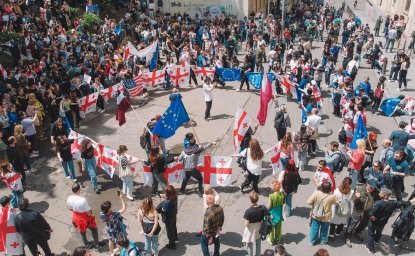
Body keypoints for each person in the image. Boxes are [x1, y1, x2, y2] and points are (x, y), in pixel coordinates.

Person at [366, 188, 415, 253]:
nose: (379, 194)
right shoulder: (393, 203)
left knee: (371, 234)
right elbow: (405, 203)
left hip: (373, 223)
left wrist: (371, 216)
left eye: (381, 193)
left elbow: (370, 212)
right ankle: (376, 241)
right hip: (382, 223)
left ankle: (370, 248)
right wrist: (413, 200)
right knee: (379, 233)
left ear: (385, 195)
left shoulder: (378, 203)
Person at [344, 179, 380, 247]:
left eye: (374, 187)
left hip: (368, 213)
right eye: (371, 187)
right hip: (358, 211)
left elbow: (378, 199)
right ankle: (347, 236)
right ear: (367, 184)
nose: (372, 189)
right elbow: (354, 201)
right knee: (352, 224)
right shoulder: (360, 189)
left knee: (363, 224)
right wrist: (357, 198)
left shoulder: (376, 191)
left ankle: (357, 231)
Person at [67, 183, 101, 249]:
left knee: (82, 232)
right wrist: (90, 213)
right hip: (84, 218)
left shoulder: (69, 198)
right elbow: (89, 213)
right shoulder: (83, 200)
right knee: (94, 229)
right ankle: (97, 245)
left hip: (76, 217)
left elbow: (69, 208)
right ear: (79, 190)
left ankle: (87, 245)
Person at [308, 182, 338, 246]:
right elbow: (336, 203)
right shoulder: (331, 196)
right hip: (326, 217)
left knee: (314, 229)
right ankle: (322, 241)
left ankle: (312, 241)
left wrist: (315, 204)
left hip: (316, 215)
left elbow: (309, 202)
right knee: (324, 230)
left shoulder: (316, 193)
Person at [242, 191, 267, 256]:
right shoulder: (262, 208)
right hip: (259, 227)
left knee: (250, 244)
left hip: (251, 230)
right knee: (258, 243)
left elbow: (246, 223)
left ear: (250, 200)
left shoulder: (248, 211)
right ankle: (258, 254)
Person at [267, 180, 285, 245]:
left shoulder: (271, 196)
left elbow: (269, 206)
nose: (270, 187)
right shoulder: (282, 194)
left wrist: (266, 210)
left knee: (271, 227)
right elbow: (283, 203)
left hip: (272, 213)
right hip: (279, 213)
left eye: (271, 186)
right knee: (278, 226)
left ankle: (271, 240)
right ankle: (277, 239)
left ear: (274, 188)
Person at [161, 184, 178, 250]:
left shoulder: (167, 202)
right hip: (173, 214)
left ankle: (172, 244)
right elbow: (170, 199)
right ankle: (175, 237)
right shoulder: (175, 196)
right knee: (174, 226)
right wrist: (165, 197)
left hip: (168, 217)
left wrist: (164, 201)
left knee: (169, 230)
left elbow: (163, 209)